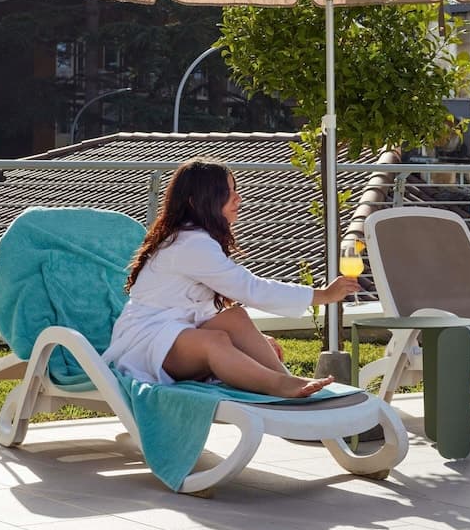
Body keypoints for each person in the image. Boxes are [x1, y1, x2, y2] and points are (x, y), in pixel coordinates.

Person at [102, 157, 359, 398]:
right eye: (226, 192)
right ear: (196, 201)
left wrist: (254, 342)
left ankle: (289, 381)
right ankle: (280, 385)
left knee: (235, 317)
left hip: (174, 335)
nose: (238, 198)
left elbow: (200, 309)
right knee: (215, 341)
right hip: (145, 346)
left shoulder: (195, 238)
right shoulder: (190, 244)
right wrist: (324, 295)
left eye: (235, 190)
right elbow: (251, 289)